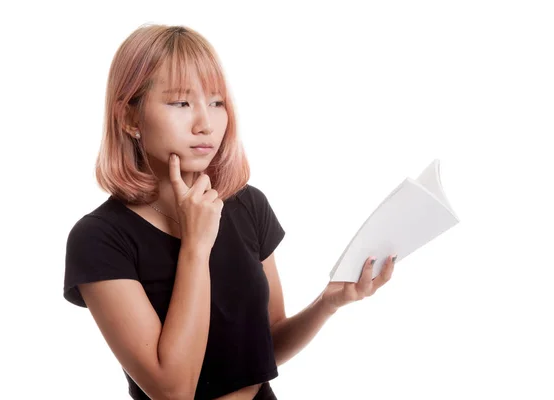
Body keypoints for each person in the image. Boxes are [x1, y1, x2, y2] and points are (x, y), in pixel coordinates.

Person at [63, 24, 397, 400]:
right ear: (129, 118)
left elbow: (265, 346)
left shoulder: (247, 205)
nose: (205, 123)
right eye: (180, 103)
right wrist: (195, 246)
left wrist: (327, 303)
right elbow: (173, 391)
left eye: (217, 102)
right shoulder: (99, 238)